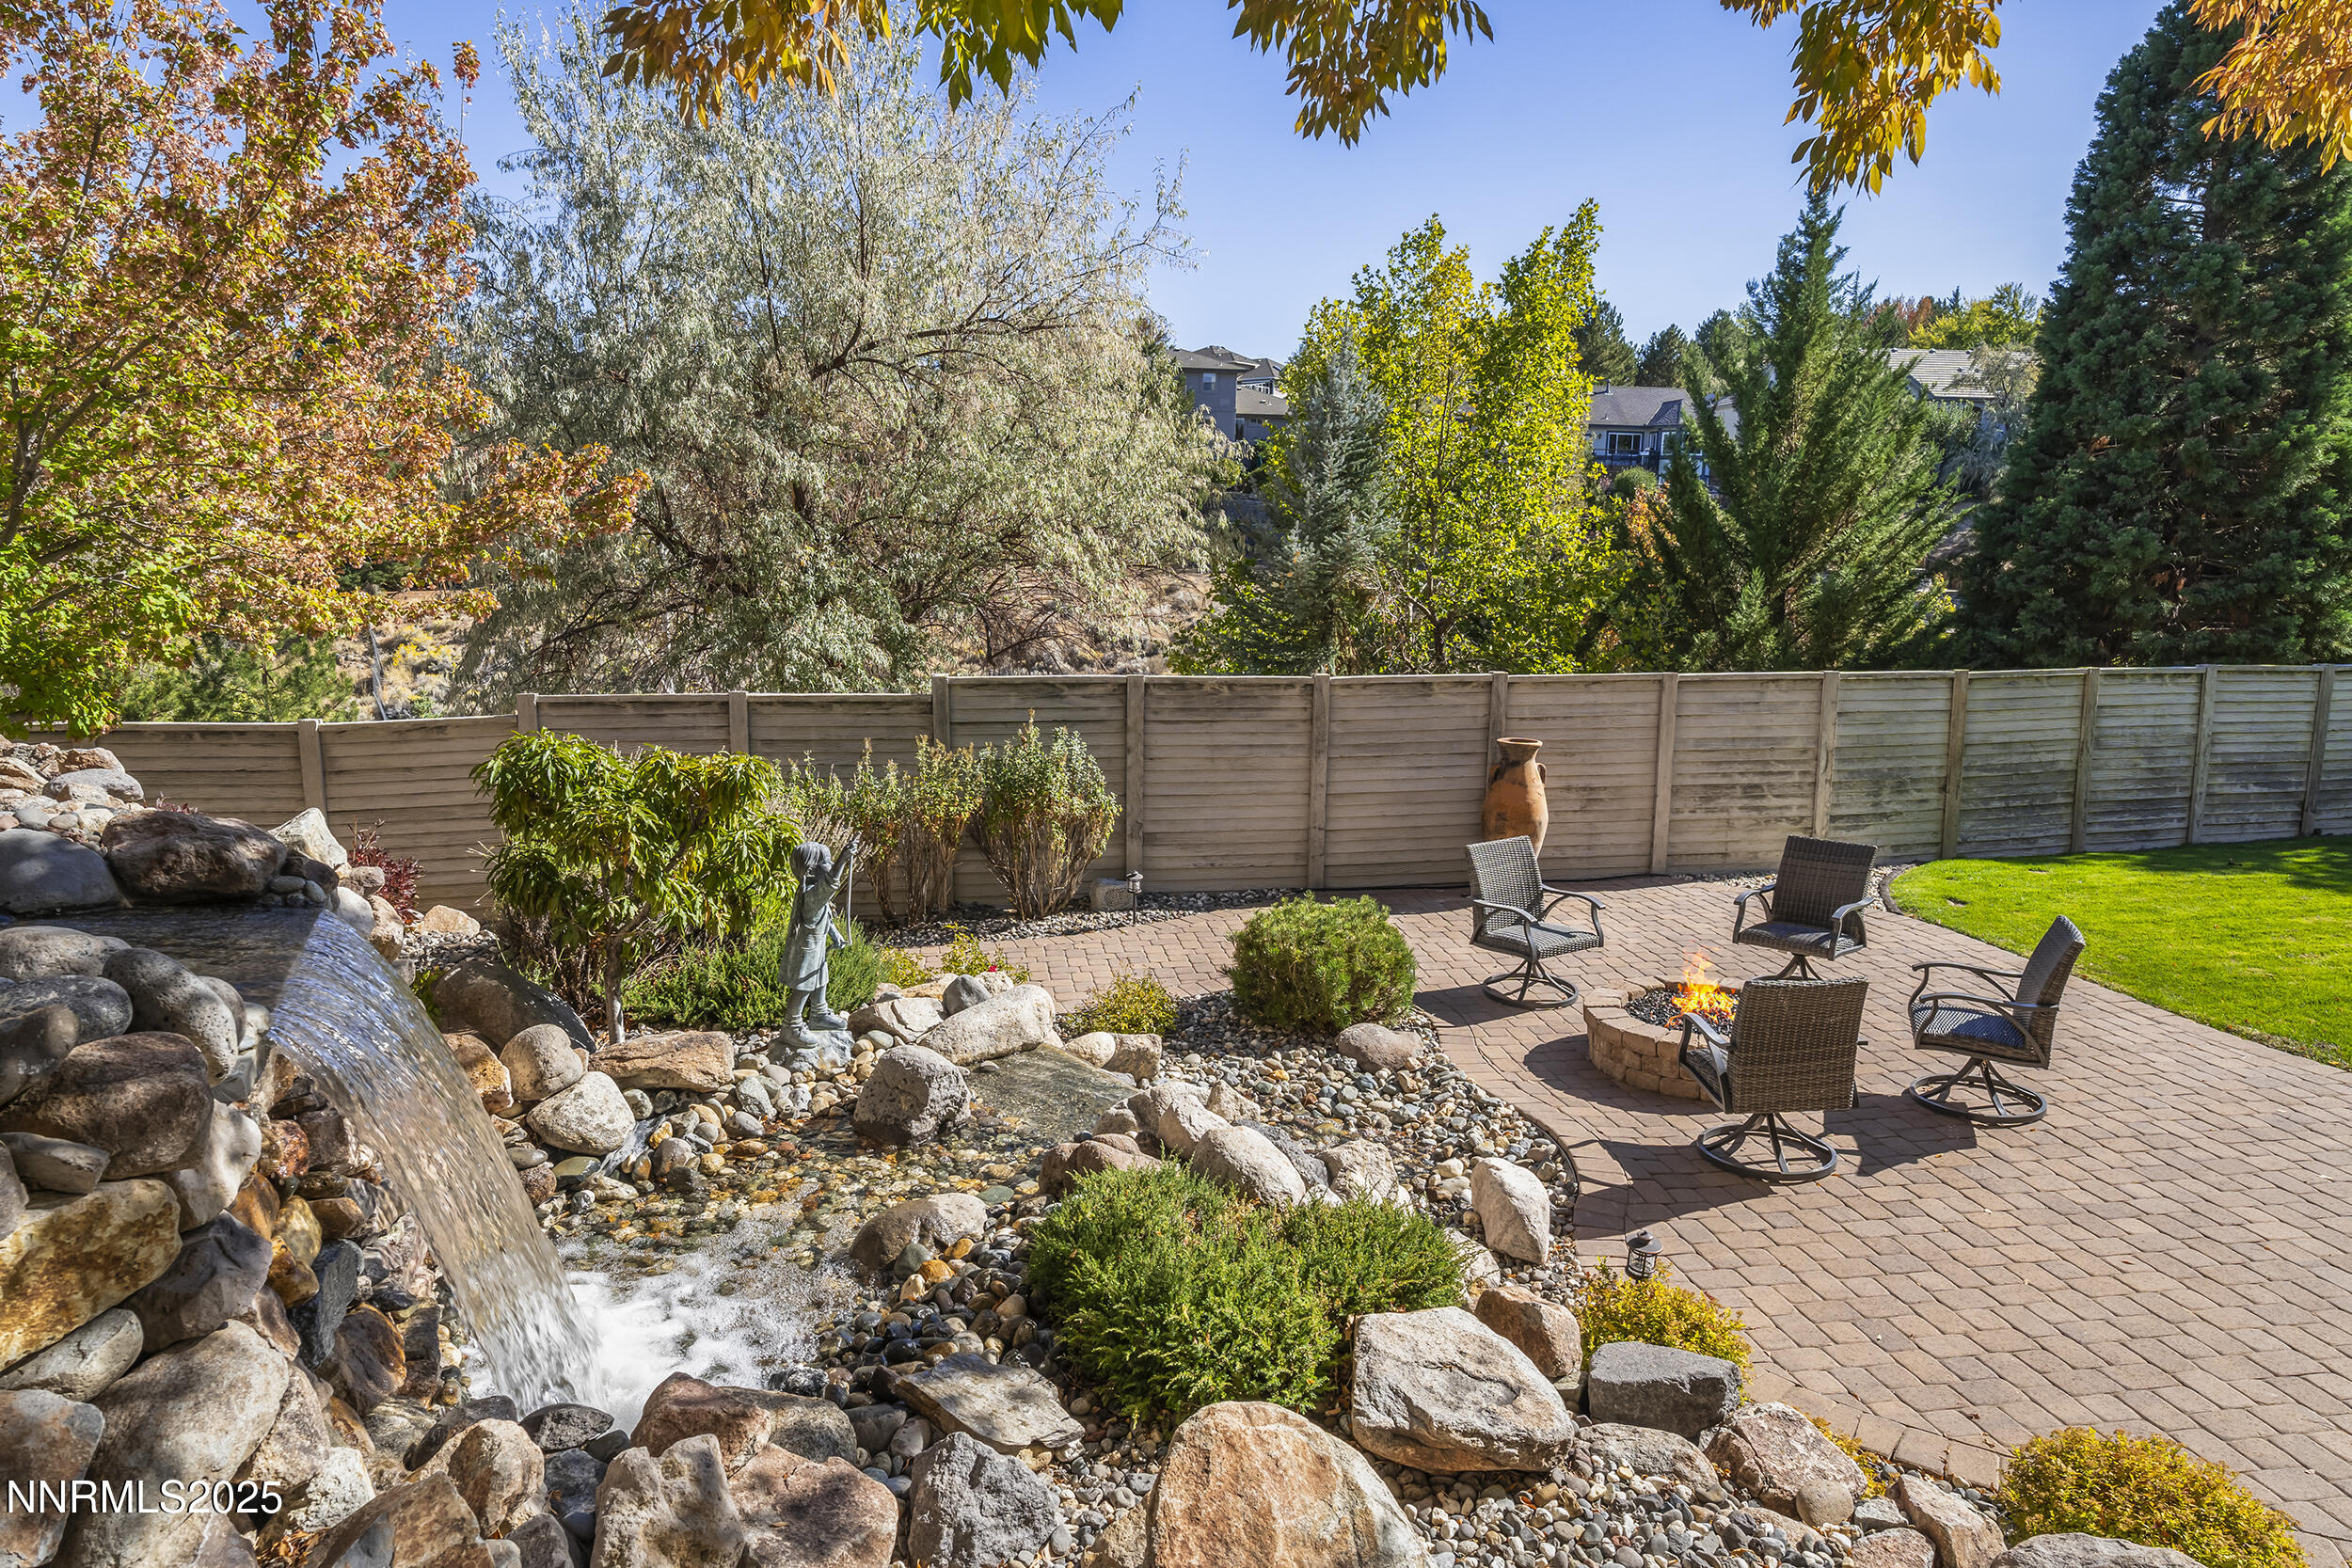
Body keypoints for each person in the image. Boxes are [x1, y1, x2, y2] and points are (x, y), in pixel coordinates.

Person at [779, 834, 857, 1053]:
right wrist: (842, 860)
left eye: (832, 860)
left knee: (821, 977)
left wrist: (835, 934)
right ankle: (791, 1026)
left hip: (816, 946)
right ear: (811, 870)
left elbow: (824, 916)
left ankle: (819, 1014)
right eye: (827, 861)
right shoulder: (810, 894)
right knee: (805, 985)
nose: (830, 865)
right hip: (807, 950)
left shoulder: (814, 894)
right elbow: (831, 884)